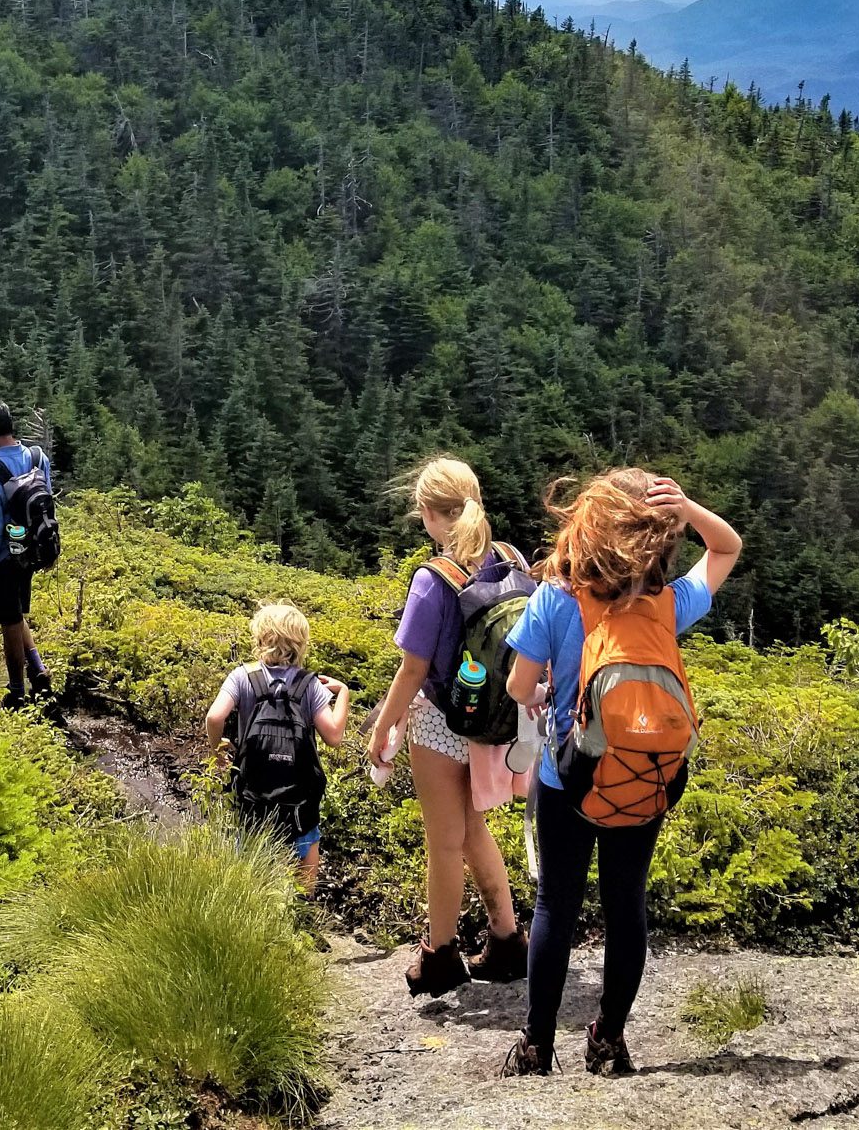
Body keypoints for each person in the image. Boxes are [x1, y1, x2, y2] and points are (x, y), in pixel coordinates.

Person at [497, 469, 741, 1078]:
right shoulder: (667, 603)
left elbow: (519, 685)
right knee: (626, 905)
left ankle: (537, 1045)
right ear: (658, 538)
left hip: (568, 781)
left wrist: (545, 691)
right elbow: (727, 547)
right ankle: (608, 1041)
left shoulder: (556, 597)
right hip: (643, 778)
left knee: (556, 904)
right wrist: (688, 507)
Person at [361, 457, 528, 997]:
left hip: (440, 721)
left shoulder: (434, 579)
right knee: (472, 828)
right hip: (496, 719)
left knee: (444, 842)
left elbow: (412, 669)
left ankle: (439, 954)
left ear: (429, 515)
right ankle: (506, 939)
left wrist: (384, 727)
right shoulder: (511, 558)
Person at [204, 602, 351, 890]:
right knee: (307, 839)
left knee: (248, 850)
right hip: (298, 795)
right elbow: (333, 736)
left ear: (261, 637)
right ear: (300, 642)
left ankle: (247, 903)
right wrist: (343, 692)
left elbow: (214, 716)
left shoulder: (242, 676)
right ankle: (302, 910)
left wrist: (217, 749)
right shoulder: (309, 685)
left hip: (253, 791)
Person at [0, 399, 57, 710]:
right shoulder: (37, 456)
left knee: (9, 622)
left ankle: (17, 694)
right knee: (16, 612)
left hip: (8, 557)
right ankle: (39, 673)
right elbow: (47, 503)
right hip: (35, 549)